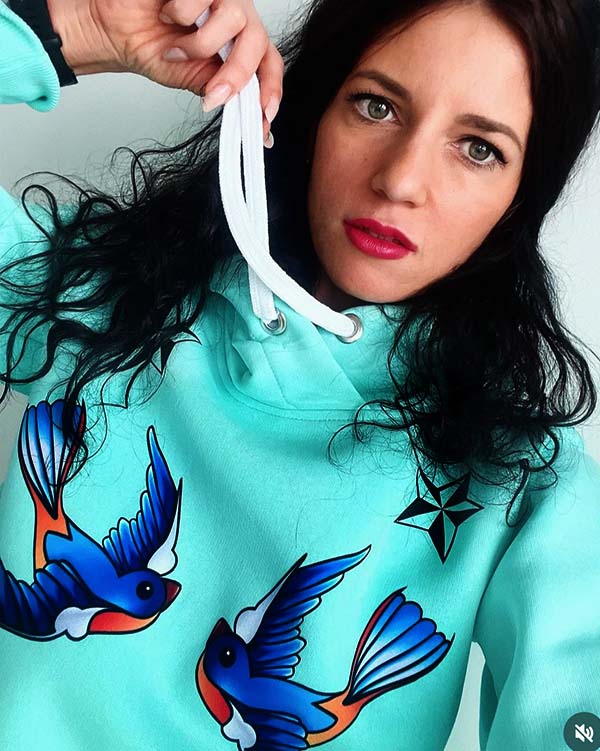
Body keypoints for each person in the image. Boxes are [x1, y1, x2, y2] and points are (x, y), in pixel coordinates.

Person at [0, 0, 599, 749]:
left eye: (478, 148)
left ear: (520, 198)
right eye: (377, 105)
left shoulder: (523, 485)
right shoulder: (93, 299)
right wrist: (73, 26)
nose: (401, 180)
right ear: (313, 107)